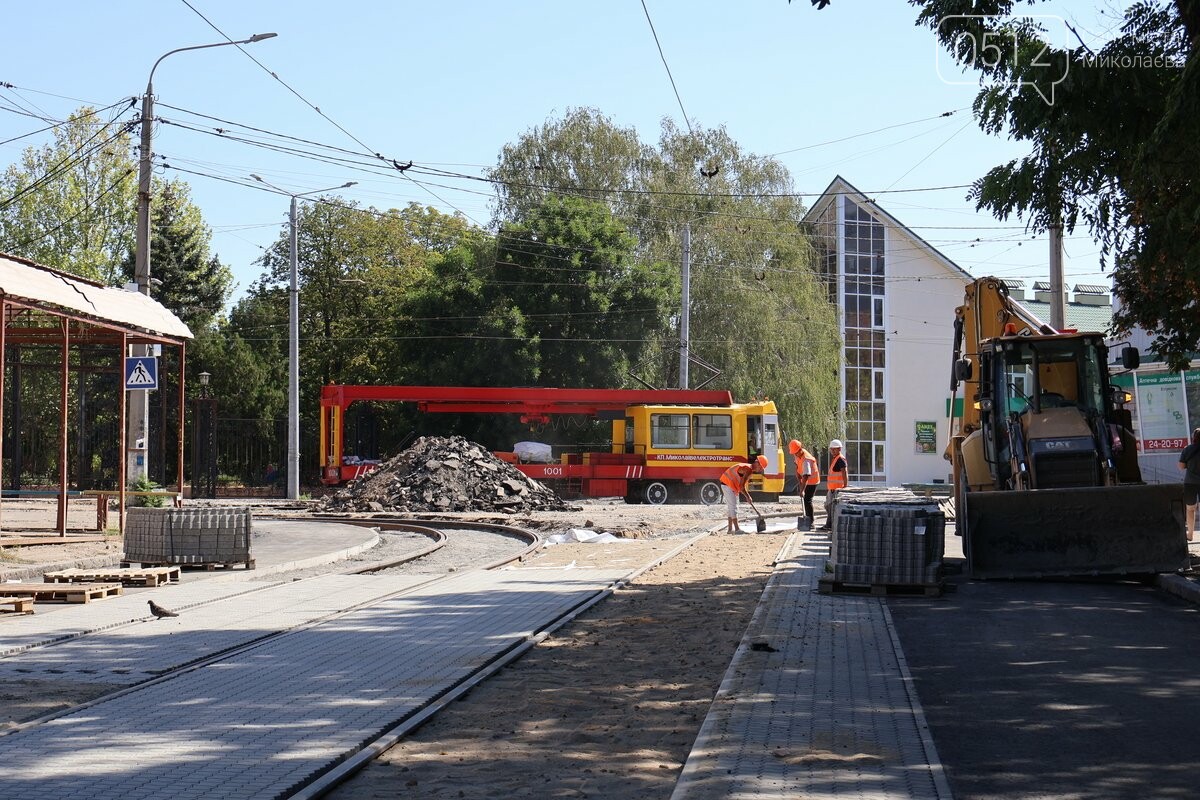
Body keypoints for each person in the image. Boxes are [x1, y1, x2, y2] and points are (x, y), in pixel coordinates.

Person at [719, 454, 767, 534]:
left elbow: (741, 485)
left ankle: (730, 529)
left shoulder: (748, 469)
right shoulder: (748, 469)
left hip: (728, 484)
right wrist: (748, 496)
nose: (760, 470)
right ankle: (737, 529)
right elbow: (741, 487)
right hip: (727, 484)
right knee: (733, 507)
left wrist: (747, 496)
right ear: (757, 463)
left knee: (731, 506)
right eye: (761, 467)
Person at [789, 439, 819, 530]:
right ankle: (808, 520)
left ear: (800, 449)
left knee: (807, 500)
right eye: (794, 453)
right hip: (805, 480)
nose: (795, 454)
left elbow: (806, 476)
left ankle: (811, 522)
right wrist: (798, 475)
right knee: (805, 500)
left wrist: (802, 490)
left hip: (812, 481)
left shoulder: (806, 460)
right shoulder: (797, 454)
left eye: (796, 453)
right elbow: (797, 465)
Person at [818, 439, 847, 531]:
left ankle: (829, 525)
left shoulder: (840, 459)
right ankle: (829, 524)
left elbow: (844, 473)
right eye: (831, 449)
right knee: (828, 506)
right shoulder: (835, 459)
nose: (832, 451)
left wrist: (845, 486)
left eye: (834, 449)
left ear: (839, 449)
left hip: (836, 489)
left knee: (830, 507)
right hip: (832, 488)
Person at [1178, 428, 1200, 542]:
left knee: (1190, 509)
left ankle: (1190, 534)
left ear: (1194, 437)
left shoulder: (1187, 449)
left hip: (1190, 482)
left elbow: (1181, 466)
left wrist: (1190, 466)